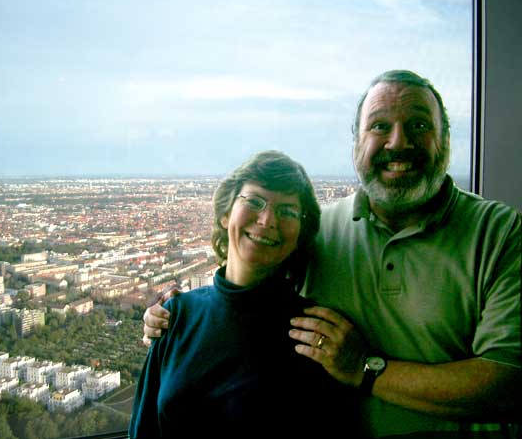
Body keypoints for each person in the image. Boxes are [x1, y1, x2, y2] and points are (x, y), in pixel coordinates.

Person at [142, 70, 522, 438]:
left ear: (446, 140)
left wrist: (366, 369)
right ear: (356, 142)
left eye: (420, 125)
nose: (398, 142)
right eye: (379, 126)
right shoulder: (321, 231)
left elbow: (510, 381)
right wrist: (177, 313)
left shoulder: (499, 232)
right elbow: (249, 281)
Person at [129, 150, 358, 438]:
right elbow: (144, 429)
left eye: (287, 211)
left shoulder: (317, 336)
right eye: (254, 201)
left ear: (301, 233)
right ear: (226, 214)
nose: (267, 219)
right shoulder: (176, 315)